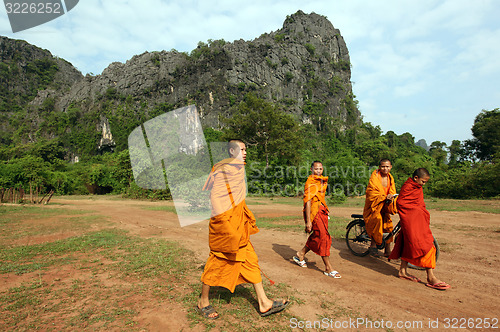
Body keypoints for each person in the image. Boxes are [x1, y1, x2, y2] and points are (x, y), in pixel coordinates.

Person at [197, 139, 289, 319]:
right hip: (226, 226)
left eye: (246, 149)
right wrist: (226, 225)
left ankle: (264, 302)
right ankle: (203, 301)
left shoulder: (239, 169)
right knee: (216, 261)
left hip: (238, 224)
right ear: (232, 151)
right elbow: (216, 198)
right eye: (242, 149)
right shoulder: (224, 169)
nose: (245, 152)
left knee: (251, 260)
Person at [389, 168, 451, 290]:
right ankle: (431, 277)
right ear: (416, 178)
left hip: (417, 220)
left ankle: (402, 271)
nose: (423, 184)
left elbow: (419, 204)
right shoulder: (408, 187)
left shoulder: (417, 188)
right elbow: (401, 203)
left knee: (407, 243)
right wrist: (417, 211)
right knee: (425, 245)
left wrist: (421, 212)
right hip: (411, 219)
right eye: (423, 181)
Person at [293, 161, 341, 278]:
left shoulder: (321, 181)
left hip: (322, 211)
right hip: (314, 213)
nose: (318, 171)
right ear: (311, 170)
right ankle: (328, 268)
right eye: (316, 169)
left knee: (318, 236)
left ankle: (301, 253)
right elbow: (308, 202)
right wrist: (308, 221)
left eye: (320, 169)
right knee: (323, 237)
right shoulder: (310, 182)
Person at [363, 159, 398, 257]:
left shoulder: (390, 178)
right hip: (374, 206)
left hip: (385, 205)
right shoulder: (375, 177)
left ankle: (387, 250)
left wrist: (391, 197)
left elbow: (392, 190)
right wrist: (383, 197)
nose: (385, 168)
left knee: (388, 226)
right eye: (383, 166)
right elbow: (371, 193)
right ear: (379, 167)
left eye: (387, 166)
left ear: (391, 167)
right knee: (377, 221)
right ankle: (373, 245)